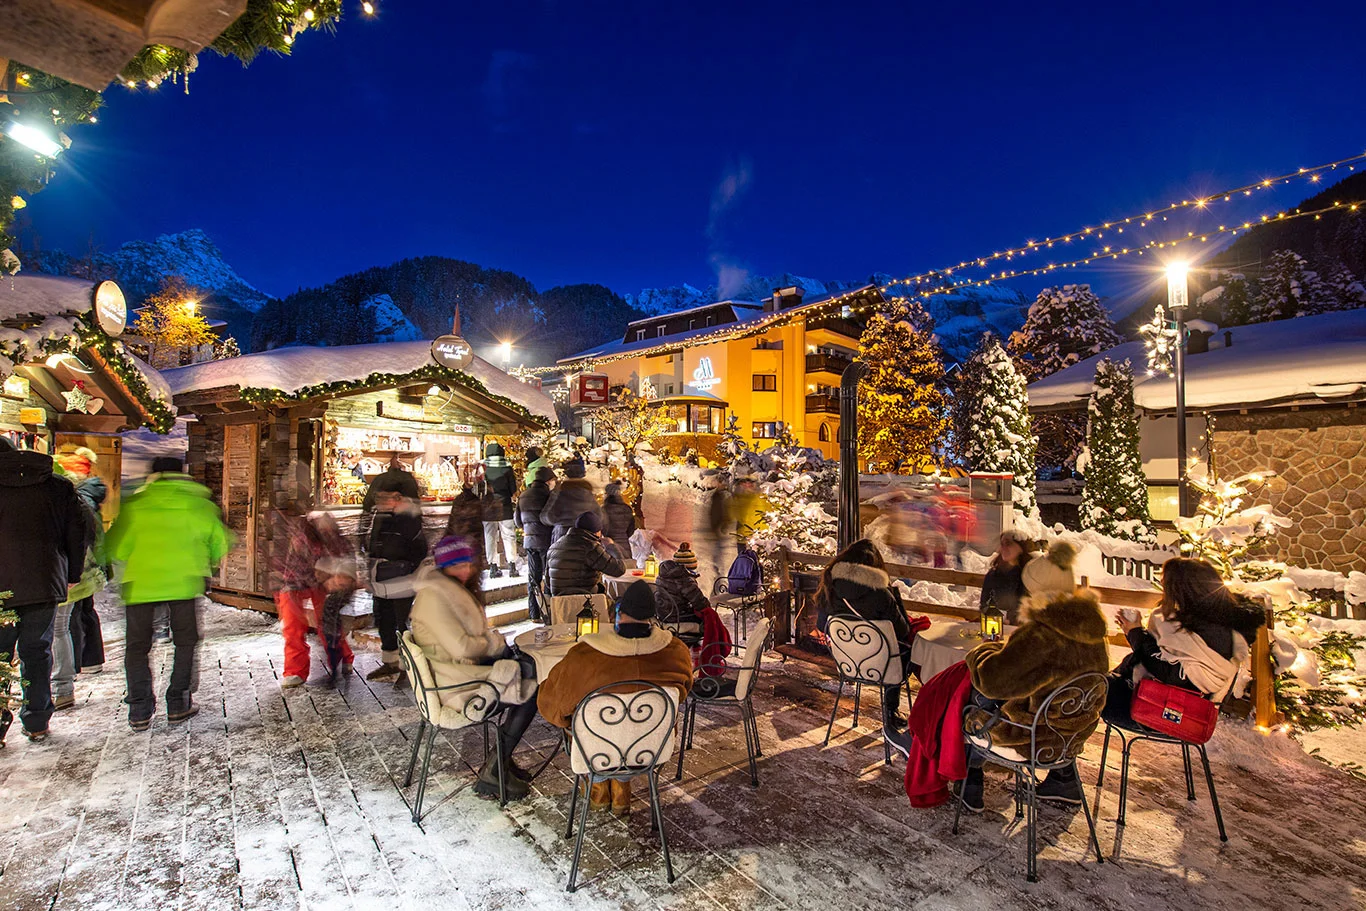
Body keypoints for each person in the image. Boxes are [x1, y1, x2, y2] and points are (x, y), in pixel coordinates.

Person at [537, 580, 694, 815]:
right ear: (652, 617)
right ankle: (622, 793)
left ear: (618, 615)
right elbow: (683, 691)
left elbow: (554, 707)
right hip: (650, 749)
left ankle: (599, 789)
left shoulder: (585, 655)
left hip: (596, 750)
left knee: (577, 718)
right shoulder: (676, 652)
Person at [107, 456, 233, 731]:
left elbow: (116, 548)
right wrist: (205, 559)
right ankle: (179, 701)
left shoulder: (136, 504)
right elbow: (221, 542)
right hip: (184, 582)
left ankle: (139, 709)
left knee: (137, 647)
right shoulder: (198, 504)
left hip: (140, 583)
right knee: (185, 642)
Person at [958, 584, 1110, 811]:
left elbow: (992, 682)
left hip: (1029, 740)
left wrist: (983, 650)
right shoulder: (1096, 638)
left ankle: (970, 781)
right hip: (1072, 737)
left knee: (976, 700)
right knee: (1046, 702)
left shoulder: (1041, 635)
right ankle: (1064, 779)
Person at [410, 536, 539, 800]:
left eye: (467, 564)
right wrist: (492, 641)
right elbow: (461, 647)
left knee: (525, 669)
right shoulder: (434, 597)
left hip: (454, 671)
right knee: (531, 686)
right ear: (444, 566)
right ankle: (495, 767)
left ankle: (500, 760)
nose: (466, 570)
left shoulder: (444, 590)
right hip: (453, 686)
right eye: (459, 565)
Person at [0, 437, 87, 742]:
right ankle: (37, 720)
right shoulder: (58, 486)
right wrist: (72, 572)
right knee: (36, 651)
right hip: (44, 580)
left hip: (2, 588)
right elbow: (77, 532)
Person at [1108, 557, 1265, 723]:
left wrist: (1135, 632)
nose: (1162, 585)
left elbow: (1169, 672)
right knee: (1094, 686)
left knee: (1090, 691)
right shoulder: (1224, 626)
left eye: (1165, 582)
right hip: (1190, 714)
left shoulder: (1199, 630)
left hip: (1160, 710)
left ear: (1182, 589)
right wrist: (1134, 632)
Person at [816, 539, 916, 758]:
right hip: (885, 667)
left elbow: (821, 626)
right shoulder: (880, 594)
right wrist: (895, 596)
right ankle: (894, 713)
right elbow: (903, 631)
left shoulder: (830, 588)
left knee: (892, 652)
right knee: (910, 653)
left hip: (849, 665)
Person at [272, 504, 353, 687]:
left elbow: (347, 556)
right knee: (293, 627)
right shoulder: (303, 538)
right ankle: (295, 671)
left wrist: (342, 576)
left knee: (327, 623)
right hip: (294, 581)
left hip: (320, 581)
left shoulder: (336, 538)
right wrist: (328, 577)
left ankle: (345, 656)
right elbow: (309, 565)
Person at [52, 446, 109, 708]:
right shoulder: (86, 501)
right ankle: (88, 661)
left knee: (65, 624)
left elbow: (84, 538)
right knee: (82, 614)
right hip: (84, 572)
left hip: (74, 573)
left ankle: (66, 677)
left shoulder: (74, 502)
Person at [366, 489, 429, 680]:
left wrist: (408, 568)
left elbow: (419, 548)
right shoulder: (380, 515)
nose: (380, 500)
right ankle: (390, 661)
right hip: (381, 575)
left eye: (385, 496)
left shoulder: (409, 517)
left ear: (398, 497)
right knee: (383, 619)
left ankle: (407, 666)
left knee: (402, 622)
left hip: (401, 577)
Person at [547, 511, 626, 597]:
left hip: (559, 605)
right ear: (596, 532)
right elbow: (619, 569)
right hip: (586, 604)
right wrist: (611, 546)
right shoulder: (590, 547)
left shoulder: (554, 546)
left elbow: (548, 583)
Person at [515, 466, 555, 621]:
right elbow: (551, 518)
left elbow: (518, 522)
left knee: (533, 577)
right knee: (549, 577)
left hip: (529, 542)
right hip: (546, 540)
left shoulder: (523, 496)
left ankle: (534, 613)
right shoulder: (549, 495)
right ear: (548, 481)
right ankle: (550, 614)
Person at [315, 555, 362, 685]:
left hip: (334, 627)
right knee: (332, 645)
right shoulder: (337, 594)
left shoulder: (342, 595)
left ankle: (335, 674)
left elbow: (345, 617)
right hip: (331, 626)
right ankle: (336, 671)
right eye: (338, 576)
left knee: (334, 645)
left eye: (343, 577)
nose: (339, 579)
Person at [359, 455, 420, 543]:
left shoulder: (379, 479)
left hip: (382, 528)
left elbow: (367, 508)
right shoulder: (409, 479)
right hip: (407, 528)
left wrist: (362, 538)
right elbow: (417, 505)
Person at [539, 456, 600, 544]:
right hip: (585, 538)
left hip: (562, 538)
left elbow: (547, 517)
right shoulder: (589, 495)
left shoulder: (559, 493)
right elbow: (600, 518)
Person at [481, 442, 519, 578]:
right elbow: (512, 489)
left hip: (487, 507)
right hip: (504, 506)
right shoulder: (507, 468)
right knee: (509, 536)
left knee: (490, 536)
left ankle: (492, 566)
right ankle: (512, 566)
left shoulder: (482, 468)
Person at [979, 530, 1033, 624]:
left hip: (1021, 628)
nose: (1003, 548)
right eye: (1002, 544)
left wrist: (1011, 619)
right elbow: (985, 602)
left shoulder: (1029, 575)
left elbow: (1029, 605)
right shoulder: (994, 574)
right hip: (995, 626)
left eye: (1008, 544)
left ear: (1021, 548)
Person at [444, 472, 486, 570]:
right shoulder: (475, 501)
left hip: (459, 538)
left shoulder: (458, 500)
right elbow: (478, 522)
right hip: (472, 541)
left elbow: (452, 521)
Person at [601, 481, 636, 562]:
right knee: (626, 565)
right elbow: (631, 528)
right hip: (625, 543)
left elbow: (604, 528)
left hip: (611, 544)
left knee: (614, 567)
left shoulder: (604, 509)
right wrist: (624, 536)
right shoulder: (627, 508)